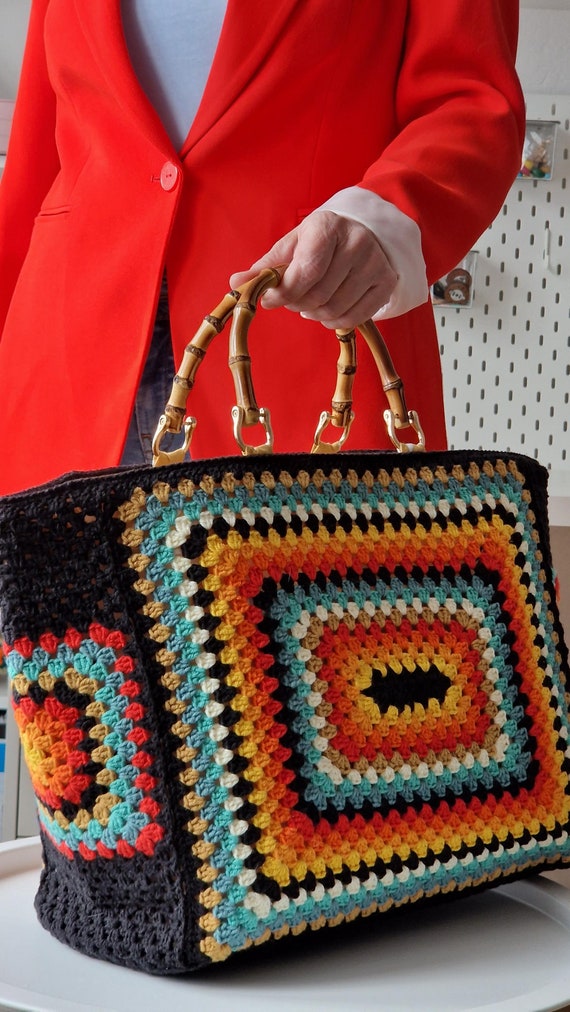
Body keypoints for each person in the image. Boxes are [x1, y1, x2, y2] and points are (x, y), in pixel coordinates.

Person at [0, 1, 525, 496]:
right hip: (64, 360)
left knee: (330, 585)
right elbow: (38, 149)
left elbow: (471, 99)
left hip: (308, 335)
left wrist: (383, 217)